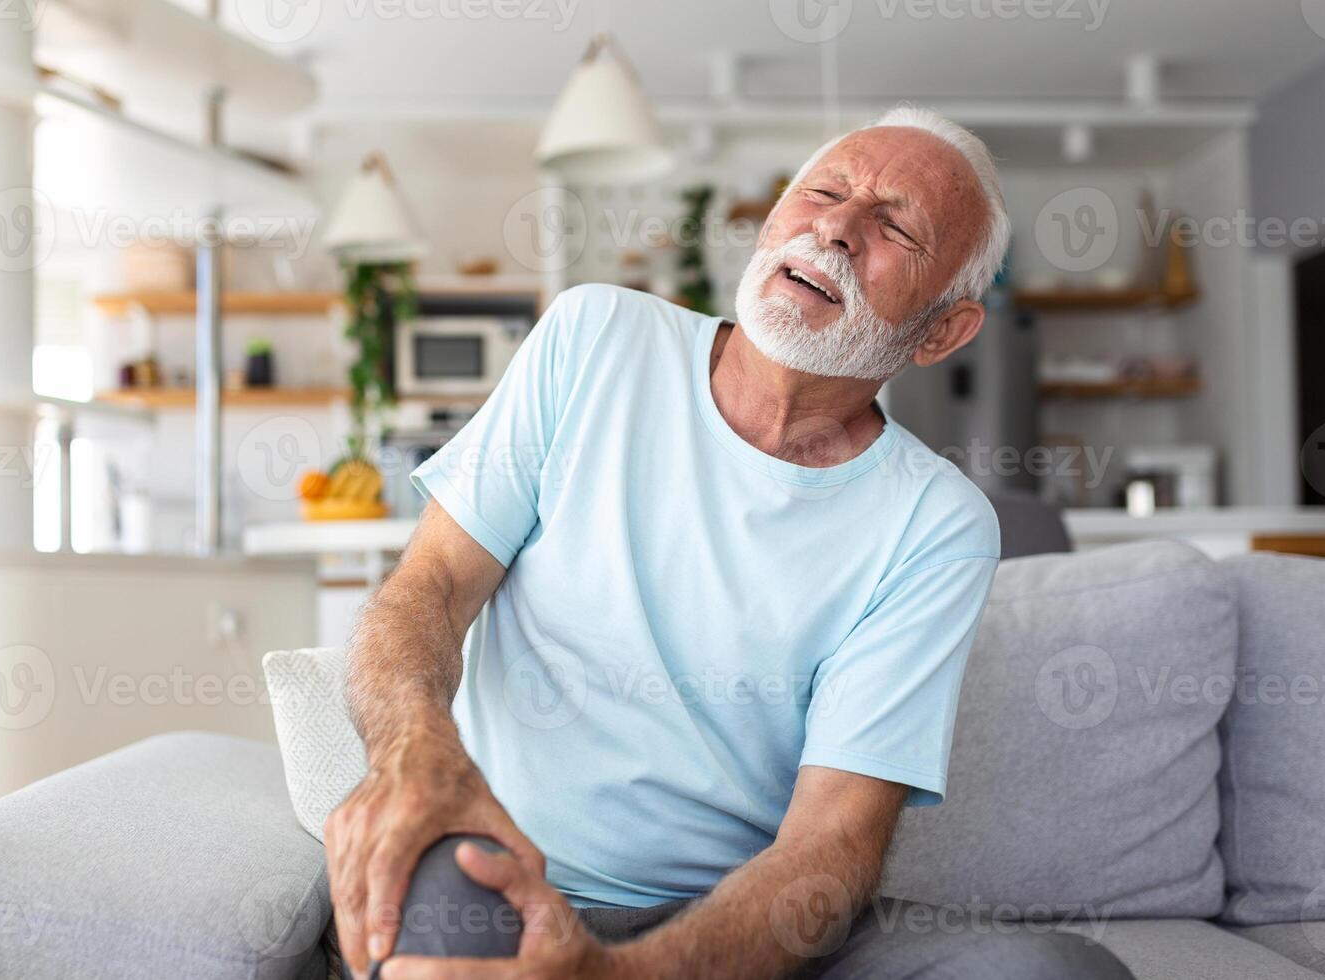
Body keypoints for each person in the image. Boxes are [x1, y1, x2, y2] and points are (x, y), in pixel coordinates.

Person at [323, 105, 1134, 980]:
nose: (835, 227)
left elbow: (834, 841)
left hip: (747, 923)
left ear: (942, 331)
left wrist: (620, 977)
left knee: (1058, 974)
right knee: (435, 951)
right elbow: (431, 587)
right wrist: (418, 755)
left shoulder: (937, 523)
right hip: (510, 869)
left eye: (894, 225)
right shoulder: (594, 337)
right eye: (821, 192)